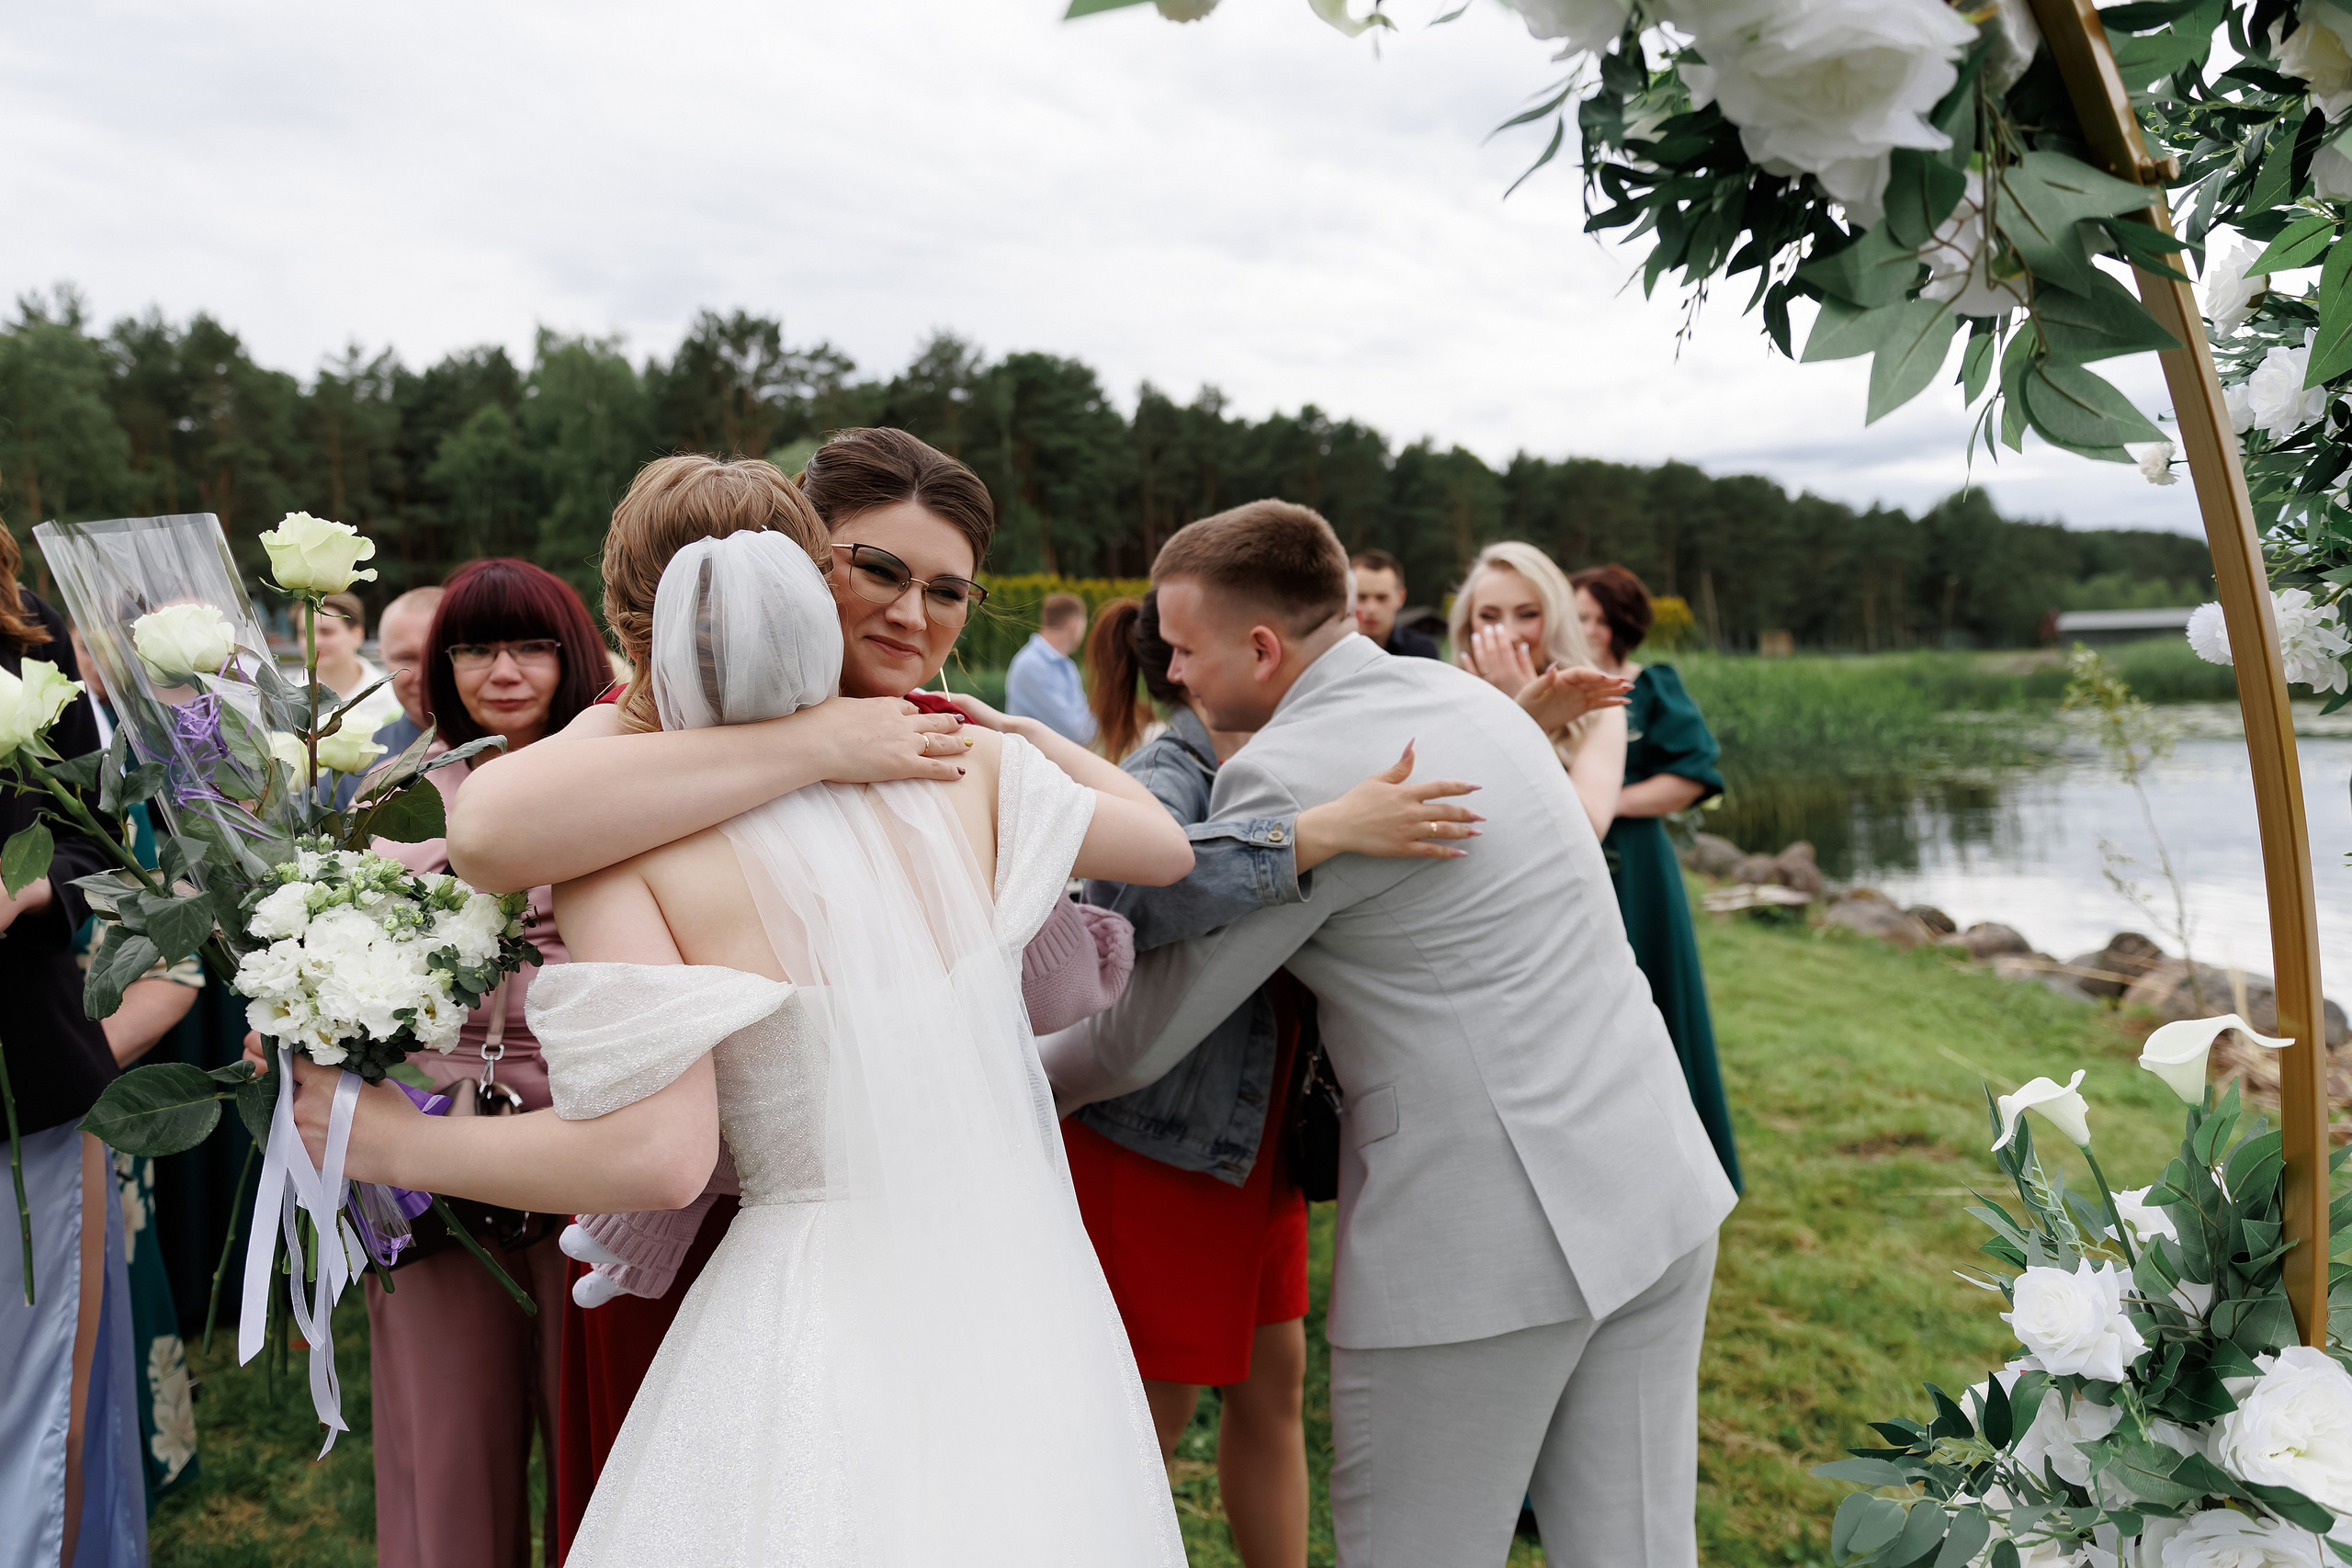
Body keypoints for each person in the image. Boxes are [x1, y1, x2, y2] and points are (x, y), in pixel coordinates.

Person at [287, 525, 1189, 1563]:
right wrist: (1011, 730)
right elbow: (1160, 840)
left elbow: (654, 1157)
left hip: (811, 1286)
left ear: (643, 656)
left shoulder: (622, 847)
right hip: (1018, 1268)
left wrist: (387, 1141)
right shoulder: (971, 765)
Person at [1042, 501, 1737, 1568]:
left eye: (1182, 650)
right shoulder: (1476, 703)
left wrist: (1014, 1075)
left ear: (1262, 648)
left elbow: (1142, 1037)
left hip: (1483, 1241)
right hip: (1654, 1177)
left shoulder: (1289, 775)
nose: (1170, 675)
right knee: (1639, 1550)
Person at [1074, 591, 1483, 1568]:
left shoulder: (1305, 752)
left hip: (1257, 1146)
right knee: (1151, 1416)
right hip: (1159, 1142)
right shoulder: (1165, 770)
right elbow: (1124, 895)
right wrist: (1316, 833)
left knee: (1273, 1384)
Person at [365, 556, 605, 1568]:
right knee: (449, 1438)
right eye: (473, 646)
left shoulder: (615, 776)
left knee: (604, 1434)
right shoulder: (396, 789)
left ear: (570, 653)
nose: (501, 669)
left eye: (530, 645)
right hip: (433, 1145)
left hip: (594, 1139)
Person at [0, 538, 146, 1568]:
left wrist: (33, 884)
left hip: (19, 1077)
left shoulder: (30, 668)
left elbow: (97, 840)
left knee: (26, 1390)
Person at [1571, 565, 1741, 1191]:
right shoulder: (1548, 691)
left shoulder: (1651, 687)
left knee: (1655, 1001)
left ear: (1620, 626)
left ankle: (1684, 1166)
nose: (1584, 628)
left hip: (1636, 864)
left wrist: (1599, 800)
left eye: (1594, 617)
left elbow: (1692, 777)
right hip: (1567, 863)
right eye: (1575, 616)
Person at [1450, 541, 1631, 841]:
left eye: (1528, 614)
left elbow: (1589, 828)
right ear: (1468, 624)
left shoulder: (1597, 706)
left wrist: (1523, 720)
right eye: (1489, 617)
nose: (1507, 634)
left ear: (1555, 620)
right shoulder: (1441, 697)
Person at [311, 589, 404, 741]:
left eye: (326, 632)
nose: (315, 642)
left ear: (357, 635)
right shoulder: (285, 703)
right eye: (305, 633)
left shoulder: (391, 697)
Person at [1005, 591, 1097, 743]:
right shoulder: (1031, 665)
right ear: (1075, 625)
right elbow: (1077, 731)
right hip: (1032, 765)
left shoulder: (1067, 666)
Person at [371, 585, 444, 755]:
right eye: (407, 658)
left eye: (438, 657)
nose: (423, 676)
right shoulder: (356, 766)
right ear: (383, 657)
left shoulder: (512, 752)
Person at [1348, 549, 1438, 660]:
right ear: (1347, 597)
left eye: (1382, 598)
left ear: (1400, 597)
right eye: (1361, 597)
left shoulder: (1421, 651)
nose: (1371, 608)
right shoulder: (1334, 651)